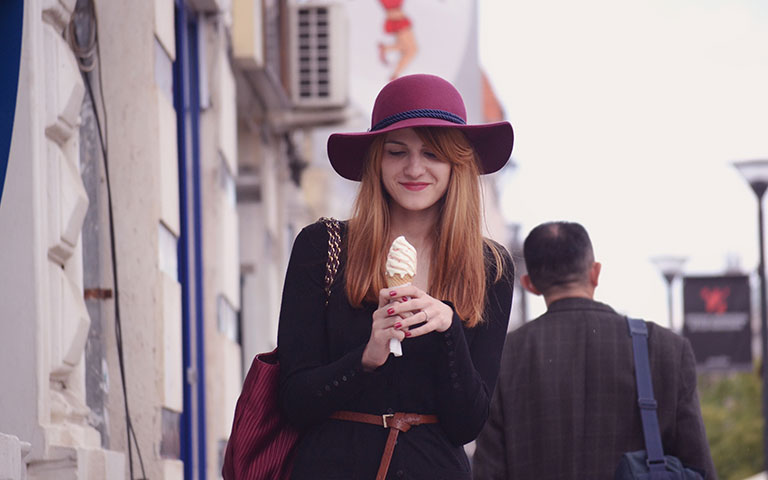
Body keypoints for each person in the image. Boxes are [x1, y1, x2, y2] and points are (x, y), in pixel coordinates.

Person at [277, 73, 516, 480]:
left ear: (456, 162)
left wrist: (449, 329)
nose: (414, 168)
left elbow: (468, 424)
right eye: (396, 151)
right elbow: (293, 401)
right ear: (377, 159)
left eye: (433, 153)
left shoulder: (490, 267)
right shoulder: (323, 247)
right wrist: (365, 359)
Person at [472, 221, 717, 480]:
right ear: (595, 273)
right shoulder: (665, 348)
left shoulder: (504, 356)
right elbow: (699, 466)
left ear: (529, 284)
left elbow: (488, 471)